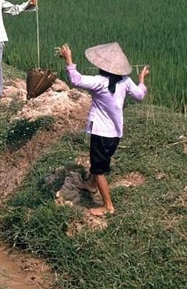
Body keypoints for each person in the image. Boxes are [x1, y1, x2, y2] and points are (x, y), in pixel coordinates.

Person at [58, 42, 150, 216]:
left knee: (99, 171)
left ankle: (108, 206)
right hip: (115, 133)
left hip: (101, 132)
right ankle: (91, 185)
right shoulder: (125, 81)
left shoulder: (100, 82)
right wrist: (142, 79)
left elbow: (76, 80)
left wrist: (69, 59)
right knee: (99, 161)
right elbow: (139, 95)